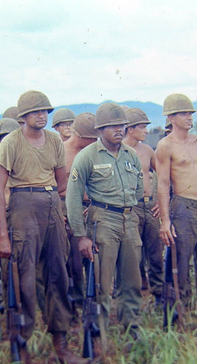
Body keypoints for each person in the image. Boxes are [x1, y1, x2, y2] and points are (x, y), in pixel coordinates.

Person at [0, 90, 90, 364]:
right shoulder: (11, 143)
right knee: (23, 283)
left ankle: (61, 346)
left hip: (51, 207)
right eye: (36, 112)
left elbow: (62, 184)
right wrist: (2, 234)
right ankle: (20, 352)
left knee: (59, 276)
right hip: (22, 208)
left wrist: (63, 212)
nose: (42, 116)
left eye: (45, 111)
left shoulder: (54, 142)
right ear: (22, 116)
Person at [67, 102, 144, 339]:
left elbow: (139, 189)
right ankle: (98, 332)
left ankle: (132, 328)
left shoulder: (132, 155)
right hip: (102, 220)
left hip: (129, 220)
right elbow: (73, 196)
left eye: (121, 126)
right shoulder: (87, 156)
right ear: (100, 130)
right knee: (101, 282)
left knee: (132, 280)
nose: (118, 130)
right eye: (112, 126)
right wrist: (81, 236)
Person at [156, 94, 197, 335]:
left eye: (191, 113)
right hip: (182, 208)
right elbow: (162, 184)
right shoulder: (165, 146)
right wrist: (165, 221)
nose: (189, 117)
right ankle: (174, 325)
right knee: (178, 269)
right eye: (183, 113)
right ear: (171, 117)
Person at [122, 108, 163, 306]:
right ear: (130, 129)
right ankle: (135, 298)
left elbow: (163, 176)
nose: (146, 131)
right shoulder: (117, 151)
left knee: (155, 253)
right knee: (133, 255)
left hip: (150, 206)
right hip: (130, 208)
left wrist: (160, 202)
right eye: (142, 127)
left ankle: (160, 296)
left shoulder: (147, 150)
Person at [61, 113, 99, 310]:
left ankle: (92, 305)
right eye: (92, 138)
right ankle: (74, 306)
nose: (95, 142)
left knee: (93, 261)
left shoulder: (93, 153)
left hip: (92, 209)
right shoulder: (60, 152)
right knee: (72, 264)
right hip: (66, 210)